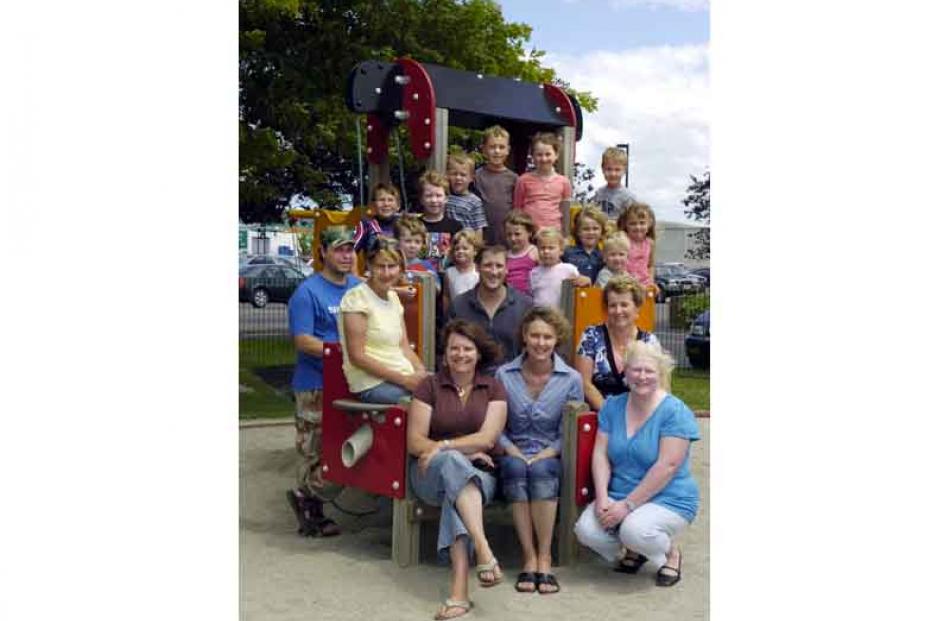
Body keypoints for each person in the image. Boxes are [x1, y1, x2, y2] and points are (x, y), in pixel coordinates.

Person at [573, 341, 701, 588]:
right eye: (636, 369)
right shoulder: (612, 406)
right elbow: (600, 455)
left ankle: (670, 553)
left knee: (635, 530)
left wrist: (627, 506)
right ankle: (635, 549)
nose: (642, 376)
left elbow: (667, 466)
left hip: (668, 496)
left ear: (660, 374)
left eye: (649, 371)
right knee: (586, 531)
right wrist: (602, 498)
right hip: (619, 492)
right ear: (626, 372)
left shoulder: (675, 412)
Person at [406, 319, 509, 620]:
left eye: (467, 349)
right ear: (445, 353)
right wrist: (458, 450)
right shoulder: (429, 386)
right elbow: (414, 442)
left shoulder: (493, 388)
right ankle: (483, 549)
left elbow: (488, 438)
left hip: (480, 476)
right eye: (454, 348)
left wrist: (444, 445)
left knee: (458, 487)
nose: (460, 354)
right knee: (453, 468)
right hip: (429, 473)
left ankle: (460, 593)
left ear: (478, 354)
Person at [495, 308, 583, 595]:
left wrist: (549, 453)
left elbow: (568, 431)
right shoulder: (504, 375)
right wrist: (511, 450)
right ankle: (528, 555)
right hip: (513, 451)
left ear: (557, 339)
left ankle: (545, 556)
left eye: (547, 336)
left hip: (551, 455)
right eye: (535, 335)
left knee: (542, 471)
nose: (540, 343)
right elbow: (495, 424)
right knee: (516, 469)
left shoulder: (570, 379)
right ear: (524, 337)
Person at [285, 226, 361, 537]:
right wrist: (345, 352)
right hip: (315, 384)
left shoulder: (358, 288)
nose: (346, 255)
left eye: (350, 249)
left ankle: (309, 497)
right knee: (315, 451)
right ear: (324, 253)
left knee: (347, 448)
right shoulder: (307, 293)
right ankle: (308, 503)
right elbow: (303, 340)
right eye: (339, 249)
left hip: (352, 383)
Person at [338, 238, 427, 403]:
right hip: (372, 383)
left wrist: (420, 371)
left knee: (450, 391)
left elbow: (404, 347)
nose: (387, 273)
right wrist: (405, 380)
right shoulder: (356, 298)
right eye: (380, 266)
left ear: (400, 269)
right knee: (427, 402)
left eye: (392, 266)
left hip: (401, 374)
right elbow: (357, 356)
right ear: (370, 266)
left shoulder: (393, 298)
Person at [576, 275, 659, 411]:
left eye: (624, 305)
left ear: (637, 307)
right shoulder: (591, 336)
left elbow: (657, 386)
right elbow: (584, 383)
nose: (618, 311)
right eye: (613, 305)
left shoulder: (649, 342)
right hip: (600, 416)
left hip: (639, 415)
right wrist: (611, 416)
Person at [447, 245, 532, 367]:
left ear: (507, 269)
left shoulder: (525, 306)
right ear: (477, 268)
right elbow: (446, 350)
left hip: (510, 382)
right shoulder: (459, 305)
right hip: (470, 380)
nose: (494, 272)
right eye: (488, 265)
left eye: (499, 266)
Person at [512, 132, 572, 230]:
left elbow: (565, 212)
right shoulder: (523, 180)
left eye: (548, 154)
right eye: (539, 155)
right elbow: (517, 209)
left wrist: (565, 237)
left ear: (556, 155)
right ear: (532, 156)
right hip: (529, 233)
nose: (544, 159)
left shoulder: (564, 182)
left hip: (553, 234)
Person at [474, 125, 518, 246]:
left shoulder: (514, 179)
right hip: (481, 238)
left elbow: (517, 210)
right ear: (483, 149)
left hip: (505, 238)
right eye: (492, 147)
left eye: (501, 147)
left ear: (508, 150)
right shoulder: (475, 176)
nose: (497, 151)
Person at [529, 227, 591, 308]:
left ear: (561, 251)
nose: (546, 251)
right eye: (542, 248)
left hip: (563, 315)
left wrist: (587, 282)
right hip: (541, 316)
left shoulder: (568, 269)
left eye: (551, 248)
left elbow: (582, 290)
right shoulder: (534, 273)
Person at [418, 170, 463, 270]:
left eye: (438, 195)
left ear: (446, 198)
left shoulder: (455, 227)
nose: (434, 200)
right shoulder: (415, 226)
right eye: (429, 196)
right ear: (421, 199)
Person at [445, 153, 488, 244]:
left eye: (463, 175)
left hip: (464, 246)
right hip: (446, 244)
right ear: (448, 175)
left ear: (471, 178)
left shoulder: (475, 201)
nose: (458, 178)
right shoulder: (444, 196)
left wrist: (476, 250)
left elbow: (478, 228)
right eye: (454, 174)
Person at [353, 182, 402, 256]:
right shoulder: (366, 225)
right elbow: (352, 248)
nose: (386, 204)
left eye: (390, 200)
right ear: (373, 205)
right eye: (381, 200)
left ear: (398, 206)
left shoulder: (403, 224)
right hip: (375, 266)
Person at [617, 201, 657, 287]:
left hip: (645, 285)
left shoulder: (650, 243)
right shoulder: (622, 240)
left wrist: (651, 282)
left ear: (649, 223)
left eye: (642, 223)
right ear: (625, 225)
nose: (638, 227)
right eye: (633, 223)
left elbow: (650, 265)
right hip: (625, 284)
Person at [562, 206, 607, 282]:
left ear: (602, 231)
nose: (591, 232)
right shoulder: (567, 253)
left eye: (595, 228)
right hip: (571, 292)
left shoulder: (604, 256)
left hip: (594, 293)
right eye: (586, 229)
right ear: (577, 231)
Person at [592, 147, 637, 220]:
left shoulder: (628, 197)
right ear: (603, 169)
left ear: (624, 170)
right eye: (609, 169)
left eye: (617, 170)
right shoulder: (598, 194)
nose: (613, 174)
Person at [503, 210, 538, 298]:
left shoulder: (534, 252)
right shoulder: (505, 256)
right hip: (510, 300)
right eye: (509, 234)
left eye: (517, 234)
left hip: (529, 300)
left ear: (529, 232)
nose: (513, 238)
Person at [444, 229, 481, 304]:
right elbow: (446, 296)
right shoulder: (449, 273)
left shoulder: (479, 271)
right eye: (457, 249)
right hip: (456, 313)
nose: (460, 251)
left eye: (465, 248)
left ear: (475, 251)